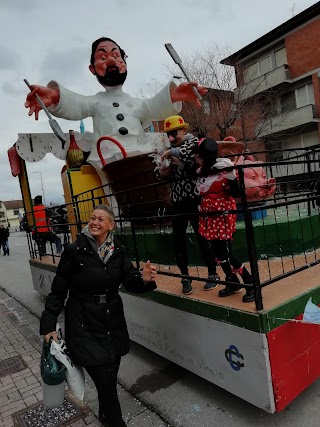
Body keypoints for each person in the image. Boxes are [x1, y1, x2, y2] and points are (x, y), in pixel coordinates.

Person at [24, 37, 207, 181]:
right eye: (102, 57)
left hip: (142, 157)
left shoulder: (136, 103)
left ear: (124, 62)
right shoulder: (95, 102)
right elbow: (77, 104)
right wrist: (55, 96)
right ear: (92, 69)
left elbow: (153, 106)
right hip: (110, 160)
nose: (111, 60)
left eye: (116, 55)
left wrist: (174, 95)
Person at [40, 204, 157, 427]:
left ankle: (105, 417)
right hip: (84, 324)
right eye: (93, 218)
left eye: (101, 219)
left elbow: (130, 280)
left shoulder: (118, 250)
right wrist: (48, 325)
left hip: (112, 323)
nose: (94, 222)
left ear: (111, 225)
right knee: (106, 382)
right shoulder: (74, 251)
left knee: (109, 380)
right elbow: (58, 290)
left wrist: (145, 280)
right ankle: (115, 422)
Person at [159, 115, 219, 295]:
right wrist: (163, 171)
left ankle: (212, 273)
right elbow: (160, 173)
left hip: (194, 198)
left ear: (183, 130)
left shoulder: (193, 143)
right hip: (177, 200)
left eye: (173, 132)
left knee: (202, 236)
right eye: (168, 133)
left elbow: (185, 156)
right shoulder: (169, 149)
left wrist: (171, 156)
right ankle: (185, 276)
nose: (171, 136)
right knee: (178, 239)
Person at [193, 137, 255, 303]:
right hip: (209, 218)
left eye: (198, 156)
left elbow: (236, 193)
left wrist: (232, 176)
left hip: (222, 217)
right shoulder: (203, 173)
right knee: (217, 253)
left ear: (204, 156)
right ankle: (232, 281)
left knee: (227, 253)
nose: (195, 159)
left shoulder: (224, 168)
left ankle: (250, 284)